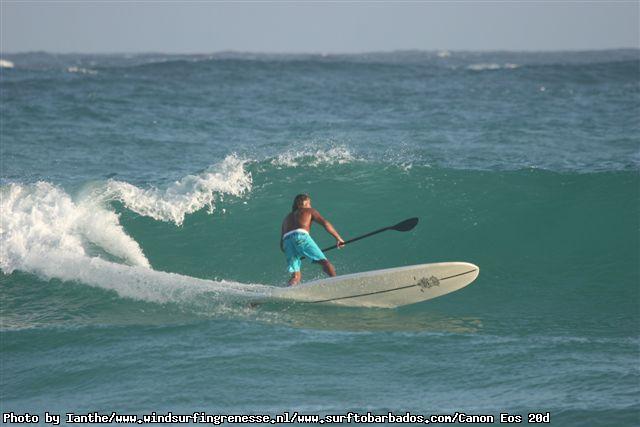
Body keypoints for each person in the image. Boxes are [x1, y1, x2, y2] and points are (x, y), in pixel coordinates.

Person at [281, 194, 345, 286]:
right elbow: (325, 223)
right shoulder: (309, 211)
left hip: (287, 241)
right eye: (309, 203)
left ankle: (289, 289)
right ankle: (337, 283)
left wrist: (296, 252)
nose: (310, 205)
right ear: (304, 203)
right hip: (301, 236)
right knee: (325, 262)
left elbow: (282, 245)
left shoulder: (287, 218)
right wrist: (338, 238)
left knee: (296, 275)